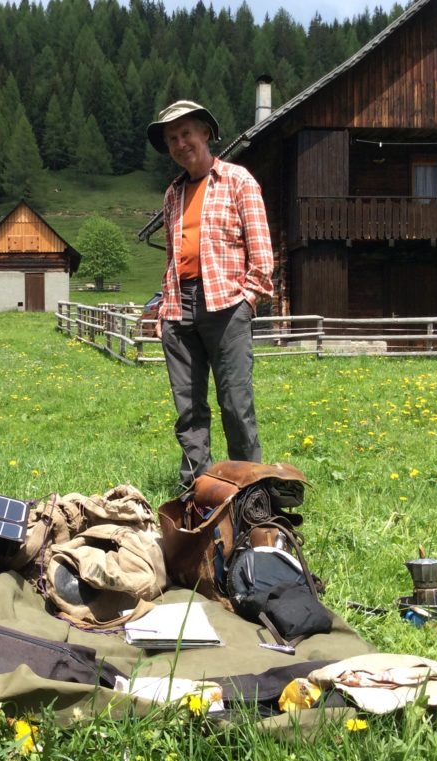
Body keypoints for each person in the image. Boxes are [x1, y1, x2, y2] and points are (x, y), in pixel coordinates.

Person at [146, 100, 274, 490]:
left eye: (186, 133)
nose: (180, 143)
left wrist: (248, 299)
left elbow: (262, 252)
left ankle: (248, 489)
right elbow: (172, 258)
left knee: (236, 403)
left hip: (226, 305)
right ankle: (198, 490)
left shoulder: (238, 181)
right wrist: (163, 310)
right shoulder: (173, 195)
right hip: (179, 307)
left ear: (205, 133)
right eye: (171, 139)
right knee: (188, 409)